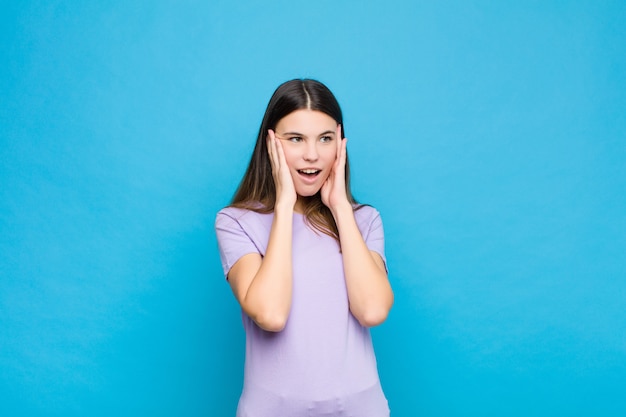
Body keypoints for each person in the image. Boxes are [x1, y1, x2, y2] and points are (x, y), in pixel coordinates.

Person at [215, 79, 393, 417]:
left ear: (340, 145)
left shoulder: (364, 221)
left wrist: (341, 209)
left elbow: (372, 310)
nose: (312, 155)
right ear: (270, 143)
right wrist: (283, 206)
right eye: (295, 139)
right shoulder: (235, 221)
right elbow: (271, 314)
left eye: (325, 139)